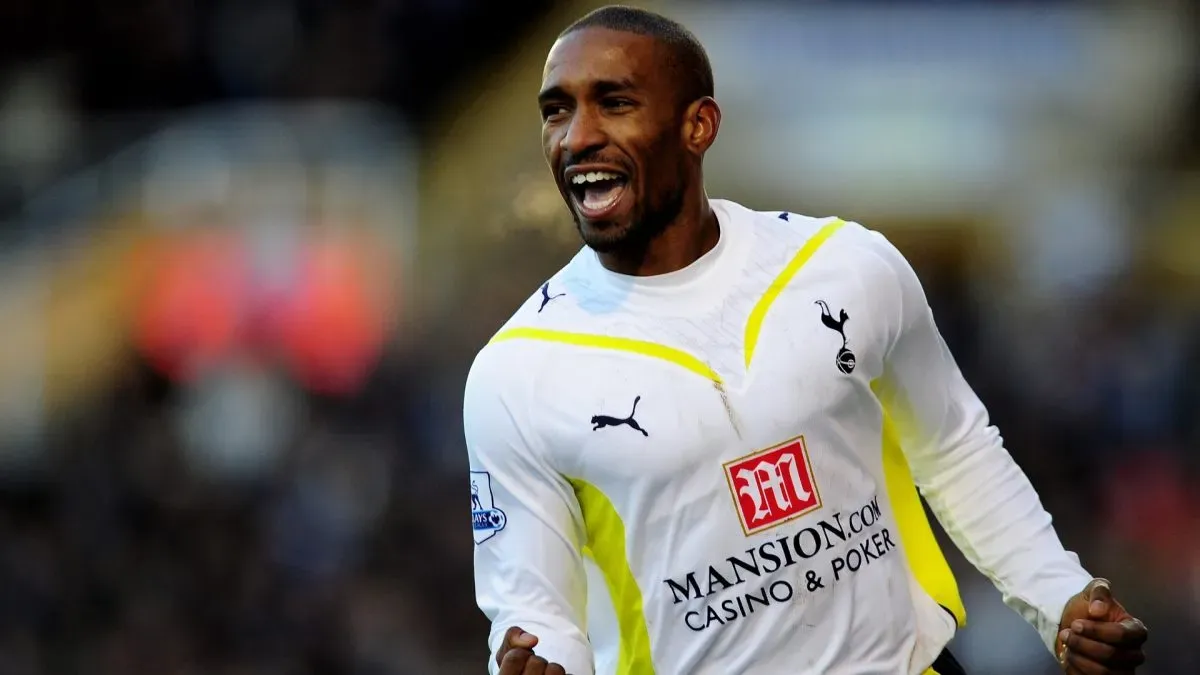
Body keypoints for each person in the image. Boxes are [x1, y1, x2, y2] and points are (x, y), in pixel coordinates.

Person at [463, 5, 1149, 675]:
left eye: (613, 103)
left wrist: (1057, 597)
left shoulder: (846, 265)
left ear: (698, 125)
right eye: (557, 110)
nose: (576, 137)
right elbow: (533, 610)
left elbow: (955, 448)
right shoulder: (517, 372)